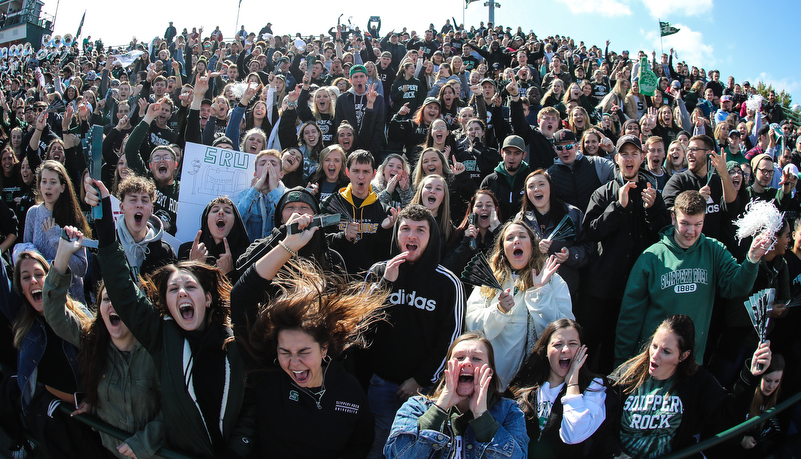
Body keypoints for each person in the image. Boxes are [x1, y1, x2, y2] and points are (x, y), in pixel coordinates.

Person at [87, 183, 256, 457]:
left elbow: (249, 408)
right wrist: (105, 220)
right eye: (173, 290)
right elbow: (122, 290)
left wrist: (237, 450)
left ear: (209, 298)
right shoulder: (161, 336)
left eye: (190, 287)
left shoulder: (235, 342)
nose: (181, 293)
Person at [230, 212, 384, 457]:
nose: (294, 362)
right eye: (285, 352)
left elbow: (360, 443)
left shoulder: (349, 390)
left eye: (303, 352)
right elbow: (241, 297)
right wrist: (288, 245)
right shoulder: (268, 377)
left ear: (324, 348)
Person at [44, 227, 164, 459]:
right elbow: (54, 314)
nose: (112, 305)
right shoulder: (92, 339)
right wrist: (62, 257)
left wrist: (145, 441)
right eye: (106, 299)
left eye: (120, 299)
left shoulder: (157, 345)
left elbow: (177, 405)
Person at [615, 190, 771, 366]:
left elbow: (737, 286)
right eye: (685, 223)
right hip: (653, 362)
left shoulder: (714, 250)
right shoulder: (651, 257)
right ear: (673, 218)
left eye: (698, 224)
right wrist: (622, 365)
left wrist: (752, 259)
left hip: (691, 363)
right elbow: (630, 317)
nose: (691, 231)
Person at [365, 204, 465, 457]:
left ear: (431, 238)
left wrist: (421, 379)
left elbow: (451, 339)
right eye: (405, 229)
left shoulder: (448, 282)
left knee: (418, 451)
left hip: (426, 389)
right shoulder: (378, 272)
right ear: (396, 234)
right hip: (382, 383)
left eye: (420, 230)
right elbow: (359, 323)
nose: (412, 236)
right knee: (379, 446)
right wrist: (385, 284)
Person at [613, 315, 772, 459]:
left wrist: (750, 375)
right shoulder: (628, 374)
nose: (655, 355)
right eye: (654, 346)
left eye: (666, 351)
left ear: (683, 356)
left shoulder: (697, 380)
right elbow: (602, 421)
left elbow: (728, 413)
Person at [0, 251, 107, 457]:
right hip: (59, 425)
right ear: (21, 289)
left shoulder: (79, 314)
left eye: (39, 274)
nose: (33, 280)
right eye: (25, 277)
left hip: (94, 419)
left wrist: (94, 399)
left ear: (50, 279)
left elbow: (105, 361)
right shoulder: (24, 322)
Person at [384, 332, 528, 458]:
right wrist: (439, 409)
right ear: (447, 368)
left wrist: (481, 416)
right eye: (459, 358)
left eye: (476, 358)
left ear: (489, 371)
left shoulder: (510, 411)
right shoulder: (415, 407)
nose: (466, 363)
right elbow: (398, 455)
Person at [465, 220, 573, 388]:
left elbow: (564, 333)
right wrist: (498, 311)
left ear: (532, 245)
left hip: (531, 382)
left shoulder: (553, 280)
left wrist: (541, 292)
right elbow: (471, 326)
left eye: (522, 236)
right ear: (503, 250)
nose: (516, 240)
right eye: (510, 238)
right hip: (490, 380)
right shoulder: (488, 280)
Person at [510, 319, 616, 458]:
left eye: (572, 344)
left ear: (582, 350)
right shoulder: (526, 386)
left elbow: (573, 434)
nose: (565, 350)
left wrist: (572, 384)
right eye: (558, 344)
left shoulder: (594, 387)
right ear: (546, 351)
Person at [518, 169, 592, 303]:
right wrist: (535, 249)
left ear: (550, 188)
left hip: (566, 291)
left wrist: (570, 255)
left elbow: (589, 248)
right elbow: (514, 254)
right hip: (532, 290)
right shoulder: (521, 219)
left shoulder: (572, 214)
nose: (536, 189)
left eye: (541, 184)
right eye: (531, 186)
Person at [23, 160, 90, 301]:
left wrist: (56, 240)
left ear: (62, 187)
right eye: (44, 181)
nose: (48, 187)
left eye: (53, 182)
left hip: (70, 299)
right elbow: (27, 255)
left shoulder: (72, 217)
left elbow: (81, 269)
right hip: (41, 296)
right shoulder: (33, 214)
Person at [322, 150, 396, 275]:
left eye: (366, 171)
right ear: (347, 172)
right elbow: (320, 245)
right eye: (356, 171)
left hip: (371, 284)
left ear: (373, 174)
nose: (361, 176)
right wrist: (342, 237)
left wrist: (385, 231)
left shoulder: (385, 212)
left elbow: (387, 256)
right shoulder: (330, 204)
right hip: (338, 282)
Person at [178, 196, 250, 282]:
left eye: (227, 211)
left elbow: (247, 294)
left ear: (235, 222)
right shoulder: (187, 250)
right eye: (215, 210)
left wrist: (230, 274)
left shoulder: (246, 256)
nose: (221, 212)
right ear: (206, 220)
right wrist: (194, 265)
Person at [547, 129, 614, 212]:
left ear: (576, 146)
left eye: (569, 147)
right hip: (569, 223)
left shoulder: (597, 163)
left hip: (597, 221)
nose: (564, 151)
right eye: (560, 148)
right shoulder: (550, 174)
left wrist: (612, 151)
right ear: (554, 149)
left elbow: (621, 173)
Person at [334, 65, 385, 158]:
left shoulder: (378, 99)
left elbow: (379, 126)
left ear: (367, 79)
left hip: (370, 148)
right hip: (348, 149)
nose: (359, 80)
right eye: (355, 77)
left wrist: (373, 149)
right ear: (350, 80)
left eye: (362, 76)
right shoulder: (342, 99)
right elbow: (338, 124)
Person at [237, 149, 286, 241]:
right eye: (263, 164)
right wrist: (256, 188)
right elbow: (237, 221)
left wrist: (273, 190)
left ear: (281, 174)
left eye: (273, 164)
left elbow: (286, 220)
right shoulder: (245, 195)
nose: (268, 167)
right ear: (255, 174)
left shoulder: (288, 195)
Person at [480, 135, 532, 221]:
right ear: (502, 153)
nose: (511, 157)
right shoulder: (489, 181)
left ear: (524, 155)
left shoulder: (531, 180)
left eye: (517, 153)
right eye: (508, 152)